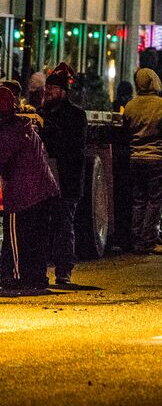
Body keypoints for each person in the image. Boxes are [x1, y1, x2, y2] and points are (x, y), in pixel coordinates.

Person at [0, 85, 60, 295]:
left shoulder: (8, 133)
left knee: (15, 237)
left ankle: (15, 277)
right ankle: (37, 277)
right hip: (44, 191)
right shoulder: (24, 126)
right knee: (36, 238)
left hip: (23, 193)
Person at [122, 68, 162, 254]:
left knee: (138, 201)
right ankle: (148, 241)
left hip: (135, 159)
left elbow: (125, 133)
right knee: (154, 202)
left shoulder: (131, 106)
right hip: (157, 159)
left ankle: (136, 241)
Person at [40, 66, 87, 286]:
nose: (48, 91)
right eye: (47, 88)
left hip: (66, 180)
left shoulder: (76, 115)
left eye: (53, 88)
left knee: (63, 226)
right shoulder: (40, 114)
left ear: (63, 91)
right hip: (45, 177)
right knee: (43, 225)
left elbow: (73, 147)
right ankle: (40, 270)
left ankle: (63, 271)